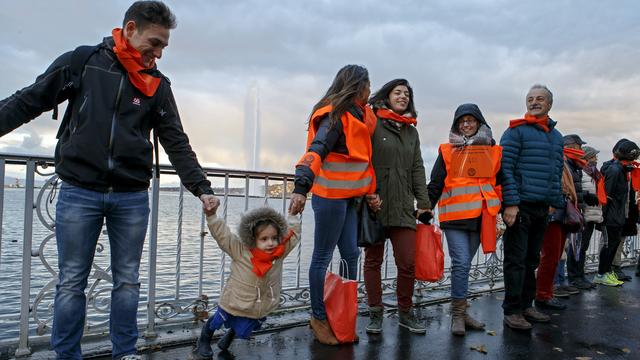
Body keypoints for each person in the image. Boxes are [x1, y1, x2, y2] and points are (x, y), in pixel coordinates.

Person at [0, 2, 219, 358]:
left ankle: (125, 353)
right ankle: (67, 355)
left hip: (131, 196)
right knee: (71, 283)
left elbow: (176, 141)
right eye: (156, 42)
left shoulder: (158, 86)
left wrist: (202, 187)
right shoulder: (83, 62)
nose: (159, 53)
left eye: (164, 46)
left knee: (128, 283)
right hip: (78, 191)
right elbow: (29, 100)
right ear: (130, 29)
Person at [289, 65, 378, 345]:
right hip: (329, 198)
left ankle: (342, 313)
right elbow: (316, 150)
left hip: (349, 199)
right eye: (368, 85)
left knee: (351, 256)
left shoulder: (357, 115)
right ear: (357, 86)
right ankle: (318, 316)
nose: (371, 90)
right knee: (322, 257)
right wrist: (301, 188)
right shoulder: (335, 116)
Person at [363, 79, 431, 335]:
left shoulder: (411, 131)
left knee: (407, 263)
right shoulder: (372, 122)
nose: (402, 96)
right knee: (373, 262)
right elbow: (363, 160)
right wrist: (368, 194)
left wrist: (423, 203)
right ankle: (375, 313)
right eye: (397, 92)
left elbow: (417, 168)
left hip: (403, 206)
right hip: (375, 205)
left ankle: (405, 312)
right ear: (387, 95)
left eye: (406, 94)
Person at [427, 103, 502, 336]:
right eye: (462, 121)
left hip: (481, 217)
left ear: (480, 122)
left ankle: (462, 311)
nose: (466, 124)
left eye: (470, 120)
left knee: (464, 265)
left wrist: (503, 212)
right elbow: (436, 183)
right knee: (460, 263)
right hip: (455, 217)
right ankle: (458, 315)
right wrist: (423, 208)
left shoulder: (492, 149)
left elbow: (499, 182)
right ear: (456, 125)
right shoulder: (447, 150)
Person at [191, 206, 301, 359]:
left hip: (260, 303)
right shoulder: (241, 251)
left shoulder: (279, 254)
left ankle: (227, 339)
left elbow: (293, 235)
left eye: (274, 238)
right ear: (252, 239)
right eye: (264, 239)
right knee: (219, 319)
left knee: (247, 322)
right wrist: (212, 216)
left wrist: (293, 215)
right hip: (236, 300)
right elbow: (224, 236)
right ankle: (204, 339)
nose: (270, 243)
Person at [499, 84, 565, 330]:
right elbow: (505, 169)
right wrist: (511, 203)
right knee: (515, 260)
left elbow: (556, 172)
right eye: (530, 99)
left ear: (549, 104)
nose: (534, 102)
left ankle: (527, 305)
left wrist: (553, 203)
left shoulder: (556, 137)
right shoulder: (516, 132)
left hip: (542, 207)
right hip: (521, 206)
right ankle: (512, 310)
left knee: (531, 260)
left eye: (539, 99)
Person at [534, 134, 587, 311]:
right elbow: (557, 189)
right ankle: (543, 295)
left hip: (559, 214)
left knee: (554, 257)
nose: (581, 151)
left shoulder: (567, 164)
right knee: (550, 257)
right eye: (579, 147)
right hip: (555, 215)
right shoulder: (560, 163)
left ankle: (546, 292)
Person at [594, 139, 640, 286]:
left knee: (614, 243)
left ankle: (608, 271)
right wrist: (604, 217)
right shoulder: (614, 169)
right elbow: (607, 194)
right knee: (609, 244)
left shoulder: (623, 169)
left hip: (619, 214)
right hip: (612, 215)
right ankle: (602, 273)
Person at [567, 145, 603, 289]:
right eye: (593, 157)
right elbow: (577, 192)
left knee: (583, 247)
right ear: (587, 158)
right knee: (577, 247)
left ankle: (580, 275)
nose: (596, 159)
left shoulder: (595, 174)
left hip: (591, 215)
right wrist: (588, 198)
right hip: (582, 215)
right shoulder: (582, 173)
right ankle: (574, 277)